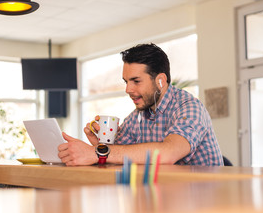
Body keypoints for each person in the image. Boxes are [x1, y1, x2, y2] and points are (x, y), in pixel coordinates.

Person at [58, 43, 223, 166]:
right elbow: (120, 156)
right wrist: (99, 145)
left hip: (206, 203)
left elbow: (168, 153)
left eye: (136, 81)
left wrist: (97, 153)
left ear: (160, 80)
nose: (128, 89)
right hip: (168, 199)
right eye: (126, 82)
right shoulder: (136, 117)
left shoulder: (189, 108)